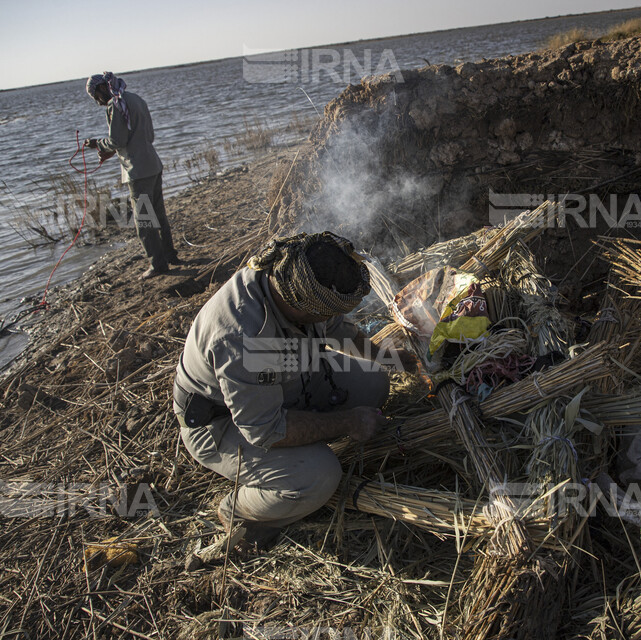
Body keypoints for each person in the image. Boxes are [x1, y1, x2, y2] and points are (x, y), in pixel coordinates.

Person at [173, 232, 415, 555]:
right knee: (320, 476)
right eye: (322, 313)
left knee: (375, 384)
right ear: (302, 306)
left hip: (283, 372)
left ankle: (299, 449)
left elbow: (341, 331)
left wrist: (392, 358)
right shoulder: (243, 336)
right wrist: (347, 423)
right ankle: (240, 508)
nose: (328, 318)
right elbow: (265, 429)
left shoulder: (299, 278)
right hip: (222, 421)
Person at [84, 72, 178, 279]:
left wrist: (97, 144)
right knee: (159, 215)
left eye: (96, 97)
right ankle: (171, 255)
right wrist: (116, 149)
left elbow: (117, 140)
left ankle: (158, 264)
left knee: (144, 221)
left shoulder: (115, 105)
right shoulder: (136, 99)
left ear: (101, 89)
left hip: (137, 171)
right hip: (153, 164)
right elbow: (146, 136)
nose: (99, 103)